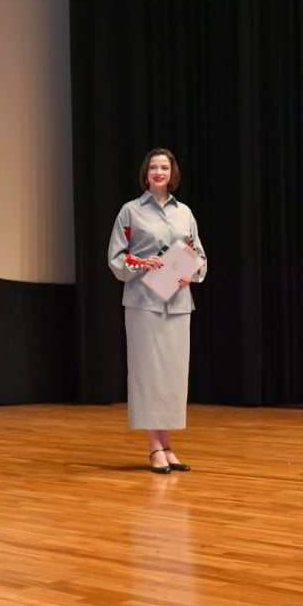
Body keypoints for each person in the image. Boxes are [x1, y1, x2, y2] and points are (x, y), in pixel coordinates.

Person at [107, 148, 206, 474]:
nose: (159, 172)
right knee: (148, 374)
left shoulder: (185, 213)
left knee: (172, 376)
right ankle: (154, 446)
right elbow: (116, 259)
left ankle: (168, 444)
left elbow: (199, 256)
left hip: (178, 303)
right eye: (153, 167)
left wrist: (190, 272)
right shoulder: (131, 211)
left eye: (164, 167)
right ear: (146, 173)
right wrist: (142, 264)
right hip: (143, 302)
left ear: (172, 173)